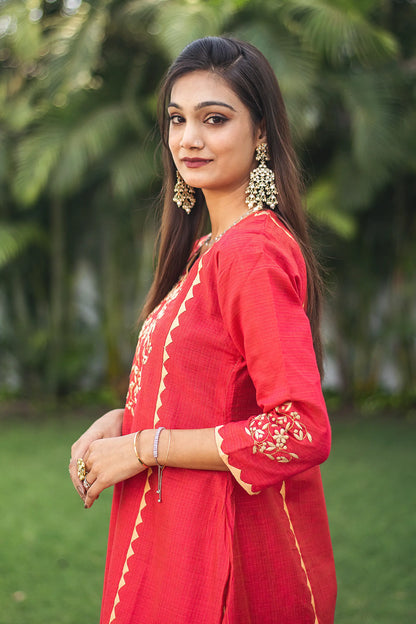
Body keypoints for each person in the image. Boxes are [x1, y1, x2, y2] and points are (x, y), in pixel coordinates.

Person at [69, 36, 337, 624]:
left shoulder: (251, 253)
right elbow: (213, 386)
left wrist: (142, 449)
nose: (188, 138)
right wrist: (124, 422)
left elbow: (299, 429)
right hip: (180, 536)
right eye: (177, 119)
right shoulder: (207, 249)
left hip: (226, 554)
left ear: (261, 132)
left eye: (214, 119)